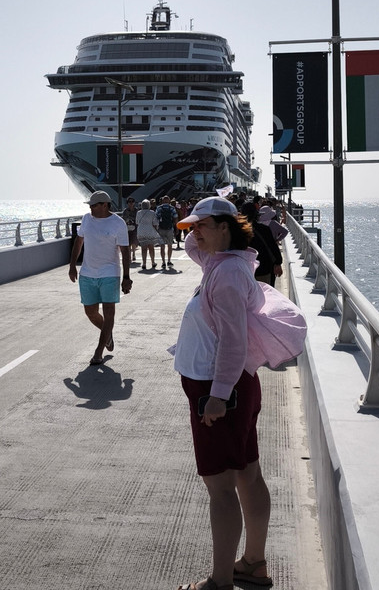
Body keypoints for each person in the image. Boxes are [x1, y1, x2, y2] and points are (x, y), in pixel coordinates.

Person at [171, 197, 276, 590]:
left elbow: (232, 341)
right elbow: (190, 246)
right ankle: (253, 563)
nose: (194, 232)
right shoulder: (224, 263)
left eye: (202, 225)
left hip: (219, 391)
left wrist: (217, 394)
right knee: (247, 473)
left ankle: (218, 583)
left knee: (220, 486)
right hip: (234, 386)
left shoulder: (228, 274)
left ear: (226, 227)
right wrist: (199, 220)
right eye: (193, 225)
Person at [68, 191, 132, 365]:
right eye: (90, 205)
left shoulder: (118, 223)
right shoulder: (87, 219)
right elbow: (78, 242)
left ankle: (98, 352)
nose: (91, 208)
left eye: (94, 205)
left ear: (105, 205)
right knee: (90, 312)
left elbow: (125, 251)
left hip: (110, 273)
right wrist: (72, 265)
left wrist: (126, 277)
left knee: (109, 312)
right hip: (87, 273)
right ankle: (107, 334)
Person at [241, 202, 283, 287]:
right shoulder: (264, 230)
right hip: (263, 270)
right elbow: (272, 247)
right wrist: (278, 263)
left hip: (243, 271)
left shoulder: (236, 232)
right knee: (264, 297)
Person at [135, 199, 163, 269]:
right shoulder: (152, 212)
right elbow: (155, 223)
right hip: (150, 231)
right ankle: (153, 262)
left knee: (143, 248)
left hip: (141, 231)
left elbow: (137, 222)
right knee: (151, 247)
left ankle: (144, 263)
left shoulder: (138, 212)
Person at [156, 195, 179, 269]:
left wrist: (156, 229)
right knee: (170, 245)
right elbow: (175, 218)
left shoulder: (159, 208)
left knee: (162, 246)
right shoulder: (172, 208)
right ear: (169, 201)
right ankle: (169, 260)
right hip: (169, 228)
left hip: (161, 228)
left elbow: (156, 218)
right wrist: (177, 228)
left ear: (162, 201)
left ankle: (163, 262)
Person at [121, 197, 139, 265]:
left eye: (132, 202)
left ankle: (133, 253)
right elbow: (124, 219)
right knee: (128, 243)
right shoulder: (125, 211)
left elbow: (137, 218)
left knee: (134, 242)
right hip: (127, 228)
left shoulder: (136, 210)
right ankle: (129, 257)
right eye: (129, 202)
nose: (131, 203)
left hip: (135, 228)